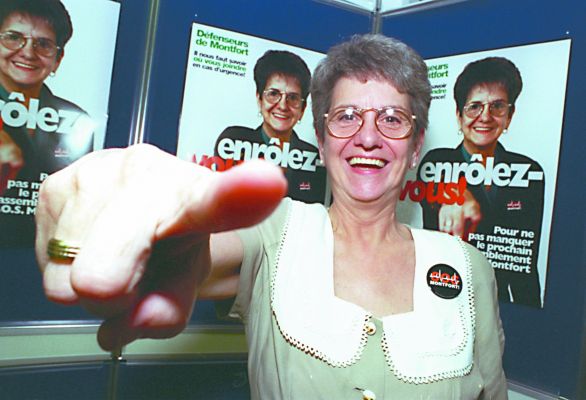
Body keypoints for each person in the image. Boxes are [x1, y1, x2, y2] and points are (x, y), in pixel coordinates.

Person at [37, 35, 507, 399]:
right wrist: (125, 224)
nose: (368, 137)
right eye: (345, 116)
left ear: (415, 143)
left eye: (391, 118)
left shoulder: (468, 268)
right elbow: (196, 251)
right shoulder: (276, 232)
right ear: (321, 143)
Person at [417, 57, 544, 307]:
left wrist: (533, 318)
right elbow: (432, 203)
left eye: (497, 106)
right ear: (458, 114)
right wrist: (457, 196)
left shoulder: (528, 172)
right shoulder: (437, 162)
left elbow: (525, 264)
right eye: (474, 106)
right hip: (440, 298)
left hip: (499, 306)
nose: (485, 117)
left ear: (509, 115)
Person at [0, 0, 94, 247]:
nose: (28, 52)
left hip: (41, 259)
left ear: (58, 59)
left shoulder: (75, 120)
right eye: (13, 37)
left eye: (43, 44)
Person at [214, 50, 327, 203]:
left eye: (292, 98)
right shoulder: (234, 142)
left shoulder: (313, 159)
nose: (282, 106)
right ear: (259, 99)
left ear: (303, 108)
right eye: (273, 94)